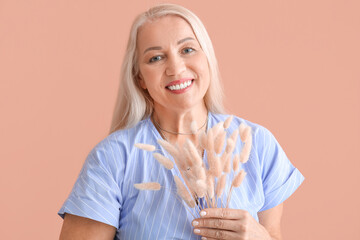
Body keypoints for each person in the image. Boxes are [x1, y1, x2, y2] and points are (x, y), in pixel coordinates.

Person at [58, 3, 304, 240]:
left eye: (187, 50)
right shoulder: (112, 158)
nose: (175, 68)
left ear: (207, 58)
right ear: (140, 78)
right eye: (156, 58)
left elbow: (273, 234)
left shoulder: (256, 143)